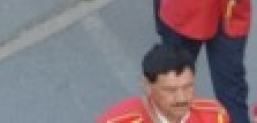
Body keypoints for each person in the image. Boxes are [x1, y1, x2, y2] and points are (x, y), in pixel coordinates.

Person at [95, 44, 228, 123]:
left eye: (187, 87)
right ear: (147, 85)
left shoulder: (215, 116)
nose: (181, 98)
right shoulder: (120, 120)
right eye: (170, 90)